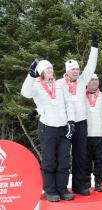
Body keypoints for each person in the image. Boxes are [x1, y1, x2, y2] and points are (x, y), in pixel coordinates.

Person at [21, 60, 75, 202]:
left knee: (64, 160)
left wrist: (71, 122)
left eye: (51, 67)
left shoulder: (59, 85)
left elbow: (68, 103)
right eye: (47, 68)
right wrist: (31, 75)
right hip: (47, 128)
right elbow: (25, 93)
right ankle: (50, 190)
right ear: (41, 72)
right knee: (49, 161)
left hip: (63, 128)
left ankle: (62, 189)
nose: (50, 69)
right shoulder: (36, 86)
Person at [58, 33, 99, 195]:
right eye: (72, 69)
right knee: (63, 157)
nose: (76, 71)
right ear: (67, 71)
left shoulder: (83, 80)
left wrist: (94, 47)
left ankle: (80, 186)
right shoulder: (59, 84)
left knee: (81, 155)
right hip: (64, 123)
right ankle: (61, 187)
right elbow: (47, 97)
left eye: (77, 68)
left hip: (81, 123)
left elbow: (91, 65)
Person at [85, 73, 102, 192]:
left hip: (100, 134)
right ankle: (86, 183)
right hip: (84, 135)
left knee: (100, 160)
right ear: (86, 82)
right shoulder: (80, 95)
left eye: (96, 79)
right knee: (85, 161)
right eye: (92, 79)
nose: (95, 82)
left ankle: (98, 182)